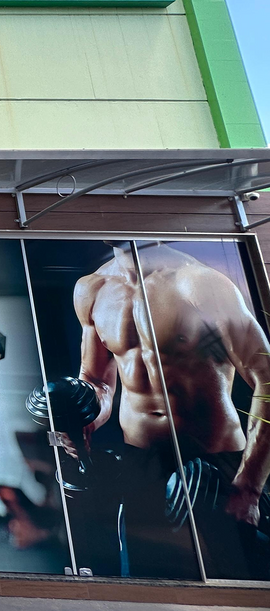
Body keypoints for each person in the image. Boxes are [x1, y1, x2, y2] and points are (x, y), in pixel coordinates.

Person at [61, 242, 270, 579]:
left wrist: (249, 486)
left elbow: (267, 376)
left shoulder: (199, 283)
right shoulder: (92, 289)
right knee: (145, 582)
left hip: (213, 463)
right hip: (141, 462)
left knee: (231, 584)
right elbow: (96, 381)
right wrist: (84, 419)